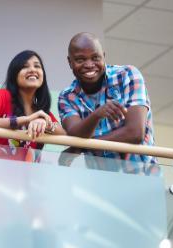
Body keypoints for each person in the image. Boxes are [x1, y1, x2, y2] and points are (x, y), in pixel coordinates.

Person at [58, 32, 157, 166]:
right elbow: (75, 136)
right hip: (100, 181)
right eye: (80, 60)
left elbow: (135, 133)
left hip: (141, 177)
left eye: (95, 57)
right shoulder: (67, 96)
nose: (89, 64)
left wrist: (82, 146)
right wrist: (97, 114)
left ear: (103, 57)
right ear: (70, 62)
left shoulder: (127, 75)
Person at [0, 50, 65, 162]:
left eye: (37, 66)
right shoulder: (2, 96)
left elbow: (64, 134)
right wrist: (25, 120)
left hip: (28, 176)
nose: (32, 70)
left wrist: (45, 123)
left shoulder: (40, 112)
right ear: (14, 74)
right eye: (24, 66)